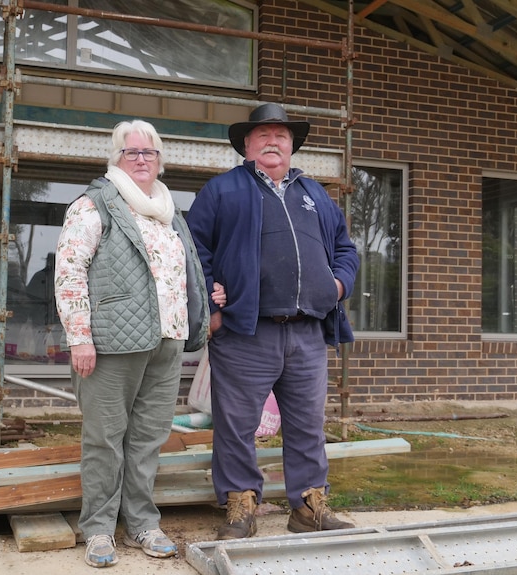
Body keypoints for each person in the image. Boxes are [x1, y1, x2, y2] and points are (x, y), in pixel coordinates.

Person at [186, 102, 360, 540]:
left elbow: (345, 250)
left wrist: (336, 287)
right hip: (246, 331)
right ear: (247, 145)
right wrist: (212, 304)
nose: (272, 141)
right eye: (262, 135)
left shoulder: (315, 193)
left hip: (306, 331)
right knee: (237, 425)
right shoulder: (222, 190)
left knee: (307, 425)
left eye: (280, 135)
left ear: (291, 146)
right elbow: (192, 251)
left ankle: (308, 507)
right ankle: (241, 505)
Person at [54, 119, 210, 568]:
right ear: (116, 158)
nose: (142, 159)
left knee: (148, 438)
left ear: (160, 160)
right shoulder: (93, 205)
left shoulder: (168, 209)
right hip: (109, 343)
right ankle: (99, 531)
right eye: (132, 152)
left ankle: (142, 521)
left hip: (167, 339)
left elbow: (184, 272)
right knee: (105, 439)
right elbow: (69, 275)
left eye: (150, 152)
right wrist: (79, 337)